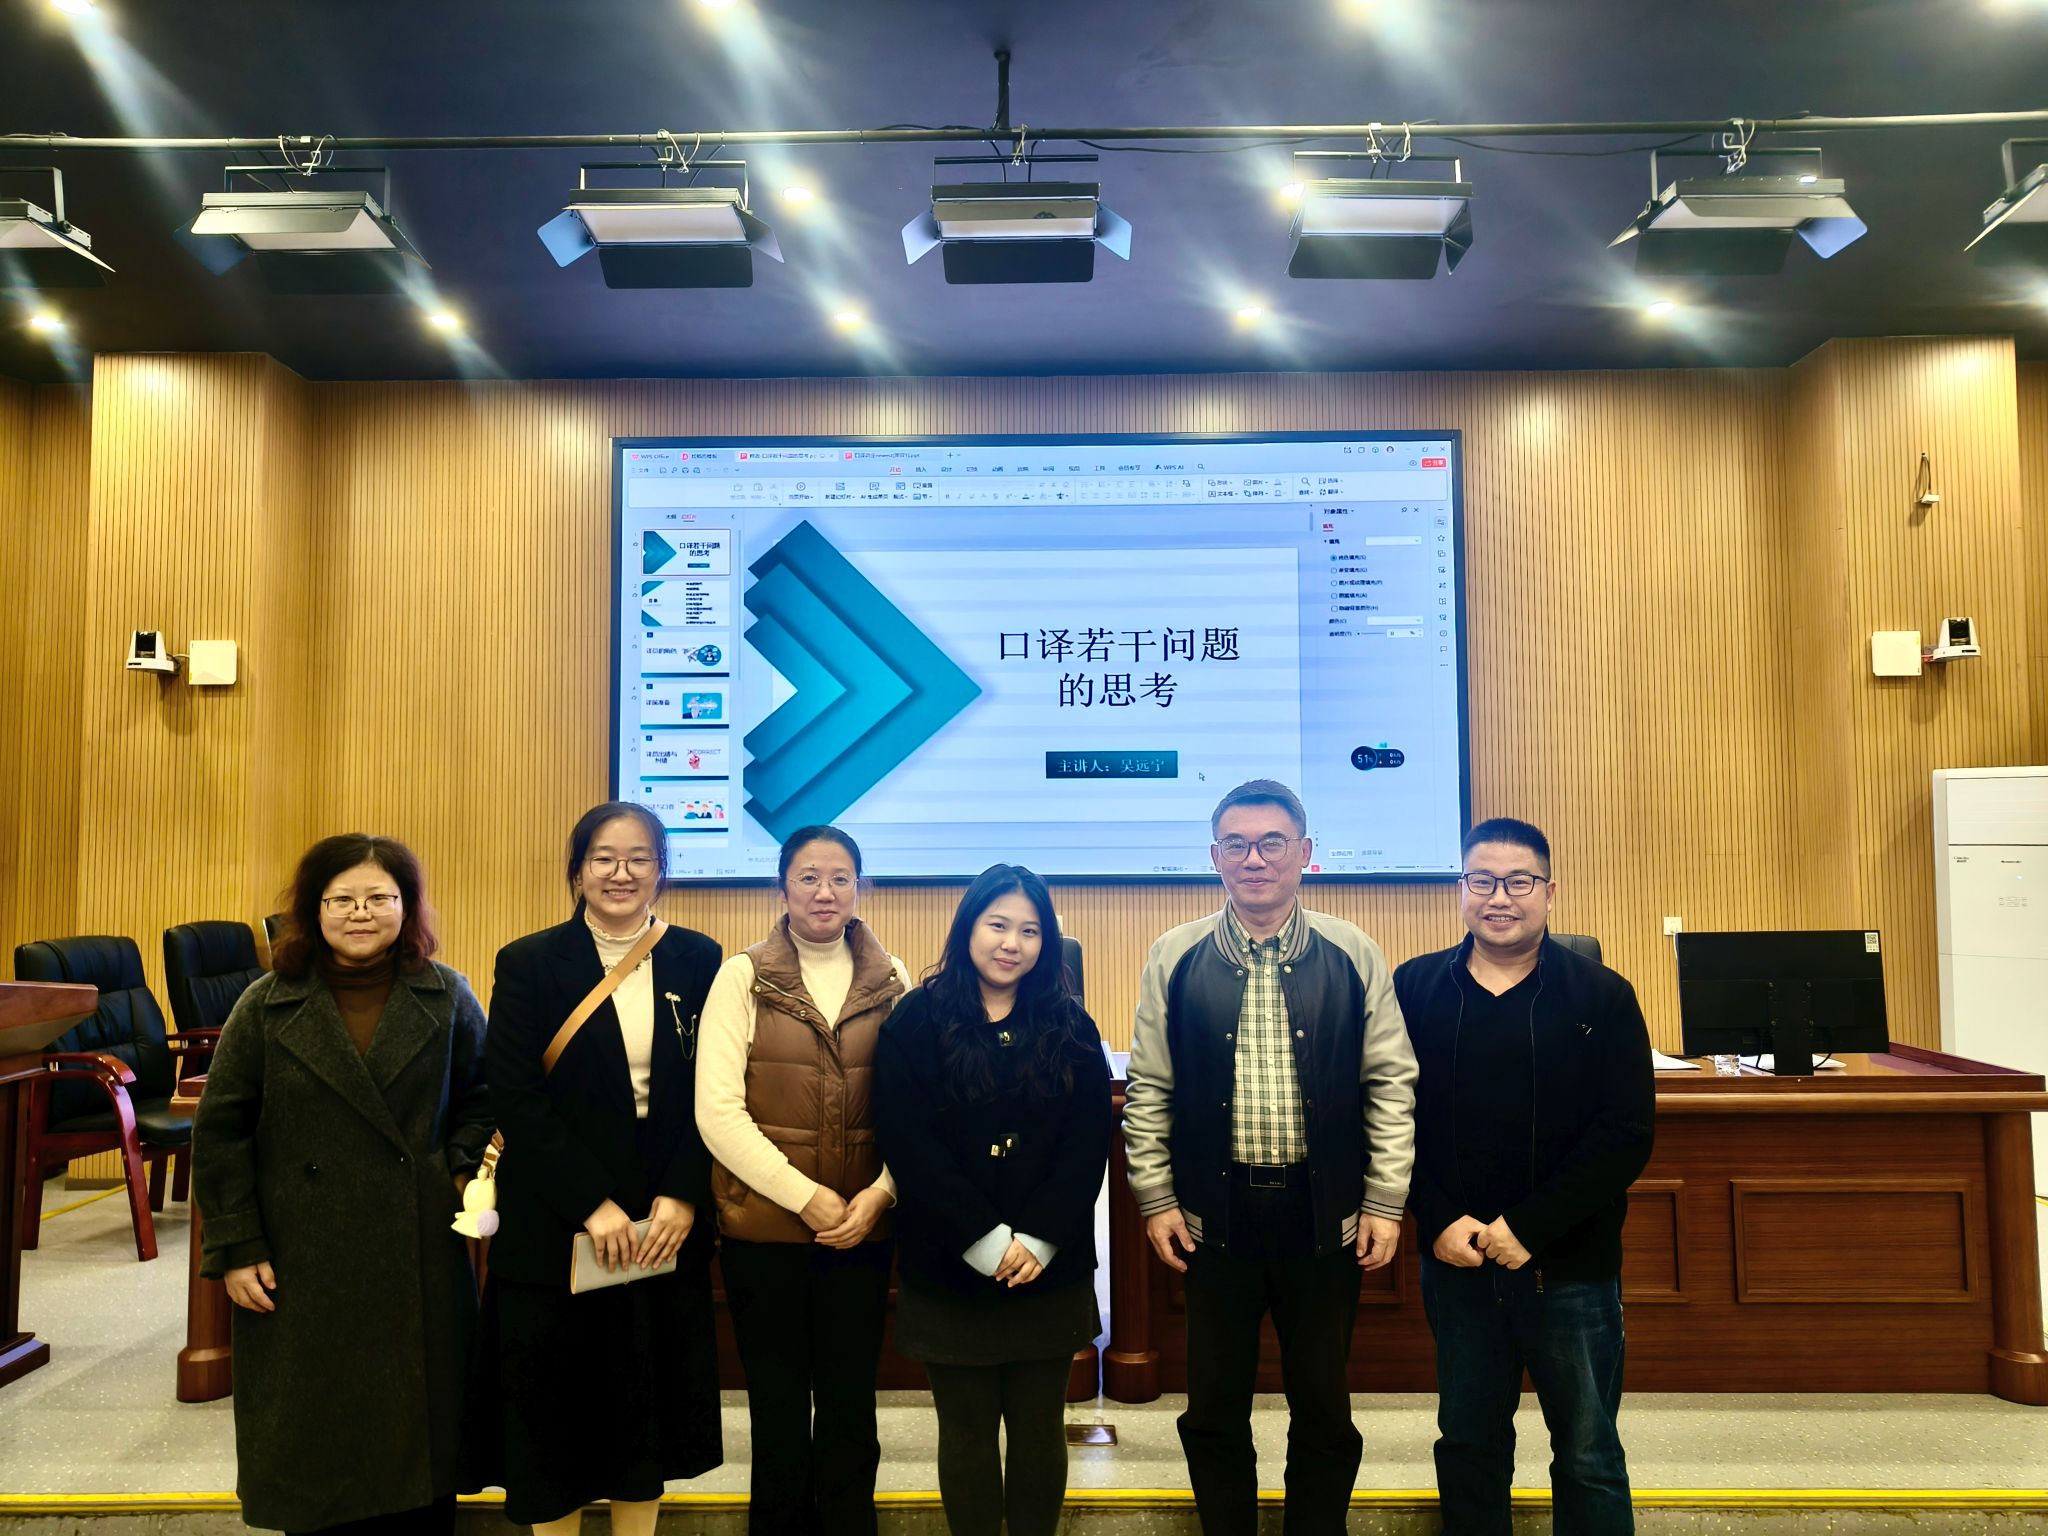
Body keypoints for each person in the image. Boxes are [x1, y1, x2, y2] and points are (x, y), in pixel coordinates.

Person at [1124, 779, 1418, 1536]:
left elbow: (1390, 1082)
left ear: (1305, 853)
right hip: (1213, 1218)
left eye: (1272, 843)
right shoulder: (1174, 954)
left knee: (1322, 1406)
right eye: (1237, 844)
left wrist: (1385, 1201)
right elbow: (1150, 1087)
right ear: (1214, 856)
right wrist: (1155, 1197)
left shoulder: (1353, 951)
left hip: (1322, 1216)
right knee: (1214, 1406)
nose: (1254, 859)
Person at [192, 834, 491, 1536]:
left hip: (417, 1246)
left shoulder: (447, 995)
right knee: (313, 1442)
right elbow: (221, 1132)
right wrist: (236, 1246)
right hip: (297, 1254)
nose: (361, 913)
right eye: (342, 899)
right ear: (313, 909)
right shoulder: (265, 1004)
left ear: (407, 907)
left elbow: (482, 1098)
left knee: (418, 1458)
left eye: (380, 897)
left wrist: (457, 1168)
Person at [467, 801, 725, 1536]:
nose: (621, 872)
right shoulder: (527, 962)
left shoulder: (699, 958)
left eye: (639, 858)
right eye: (604, 858)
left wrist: (683, 1194)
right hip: (555, 1214)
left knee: (644, 1406)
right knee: (552, 1409)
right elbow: (514, 1094)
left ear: (661, 871)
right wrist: (591, 1202)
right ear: (577, 870)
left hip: (660, 1218)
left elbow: (715, 1089)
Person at [1393, 817, 1654, 1536]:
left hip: (1571, 1267)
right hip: (1459, 1260)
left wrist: (1528, 1228)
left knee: (1589, 1452)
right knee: (1469, 1444)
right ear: (1461, 888)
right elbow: (1389, 1117)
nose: (1499, 897)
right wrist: (1436, 1218)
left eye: (1519, 882)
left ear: (1549, 891)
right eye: (1482, 881)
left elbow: (1626, 1134)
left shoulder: (1602, 994)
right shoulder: (1415, 986)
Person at [875, 864, 1113, 1536]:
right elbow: (909, 1143)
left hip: (1047, 1270)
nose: (1012, 943)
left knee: (1040, 1431)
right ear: (968, 928)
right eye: (998, 925)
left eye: (1030, 931)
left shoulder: (1070, 1025)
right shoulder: (916, 1019)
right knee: (966, 1432)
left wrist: (1036, 1238)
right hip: (950, 1268)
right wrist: (983, 1238)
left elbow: (1086, 1146)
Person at [696, 825, 911, 1536]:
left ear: (861, 888)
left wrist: (880, 1194)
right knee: (779, 1410)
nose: (825, 892)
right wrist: (807, 1198)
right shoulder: (743, 975)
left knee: (851, 1407)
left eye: (840, 877)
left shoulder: (892, 979)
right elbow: (717, 1113)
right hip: (765, 1233)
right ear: (782, 887)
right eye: (809, 877)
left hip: (862, 1229)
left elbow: (919, 1108)